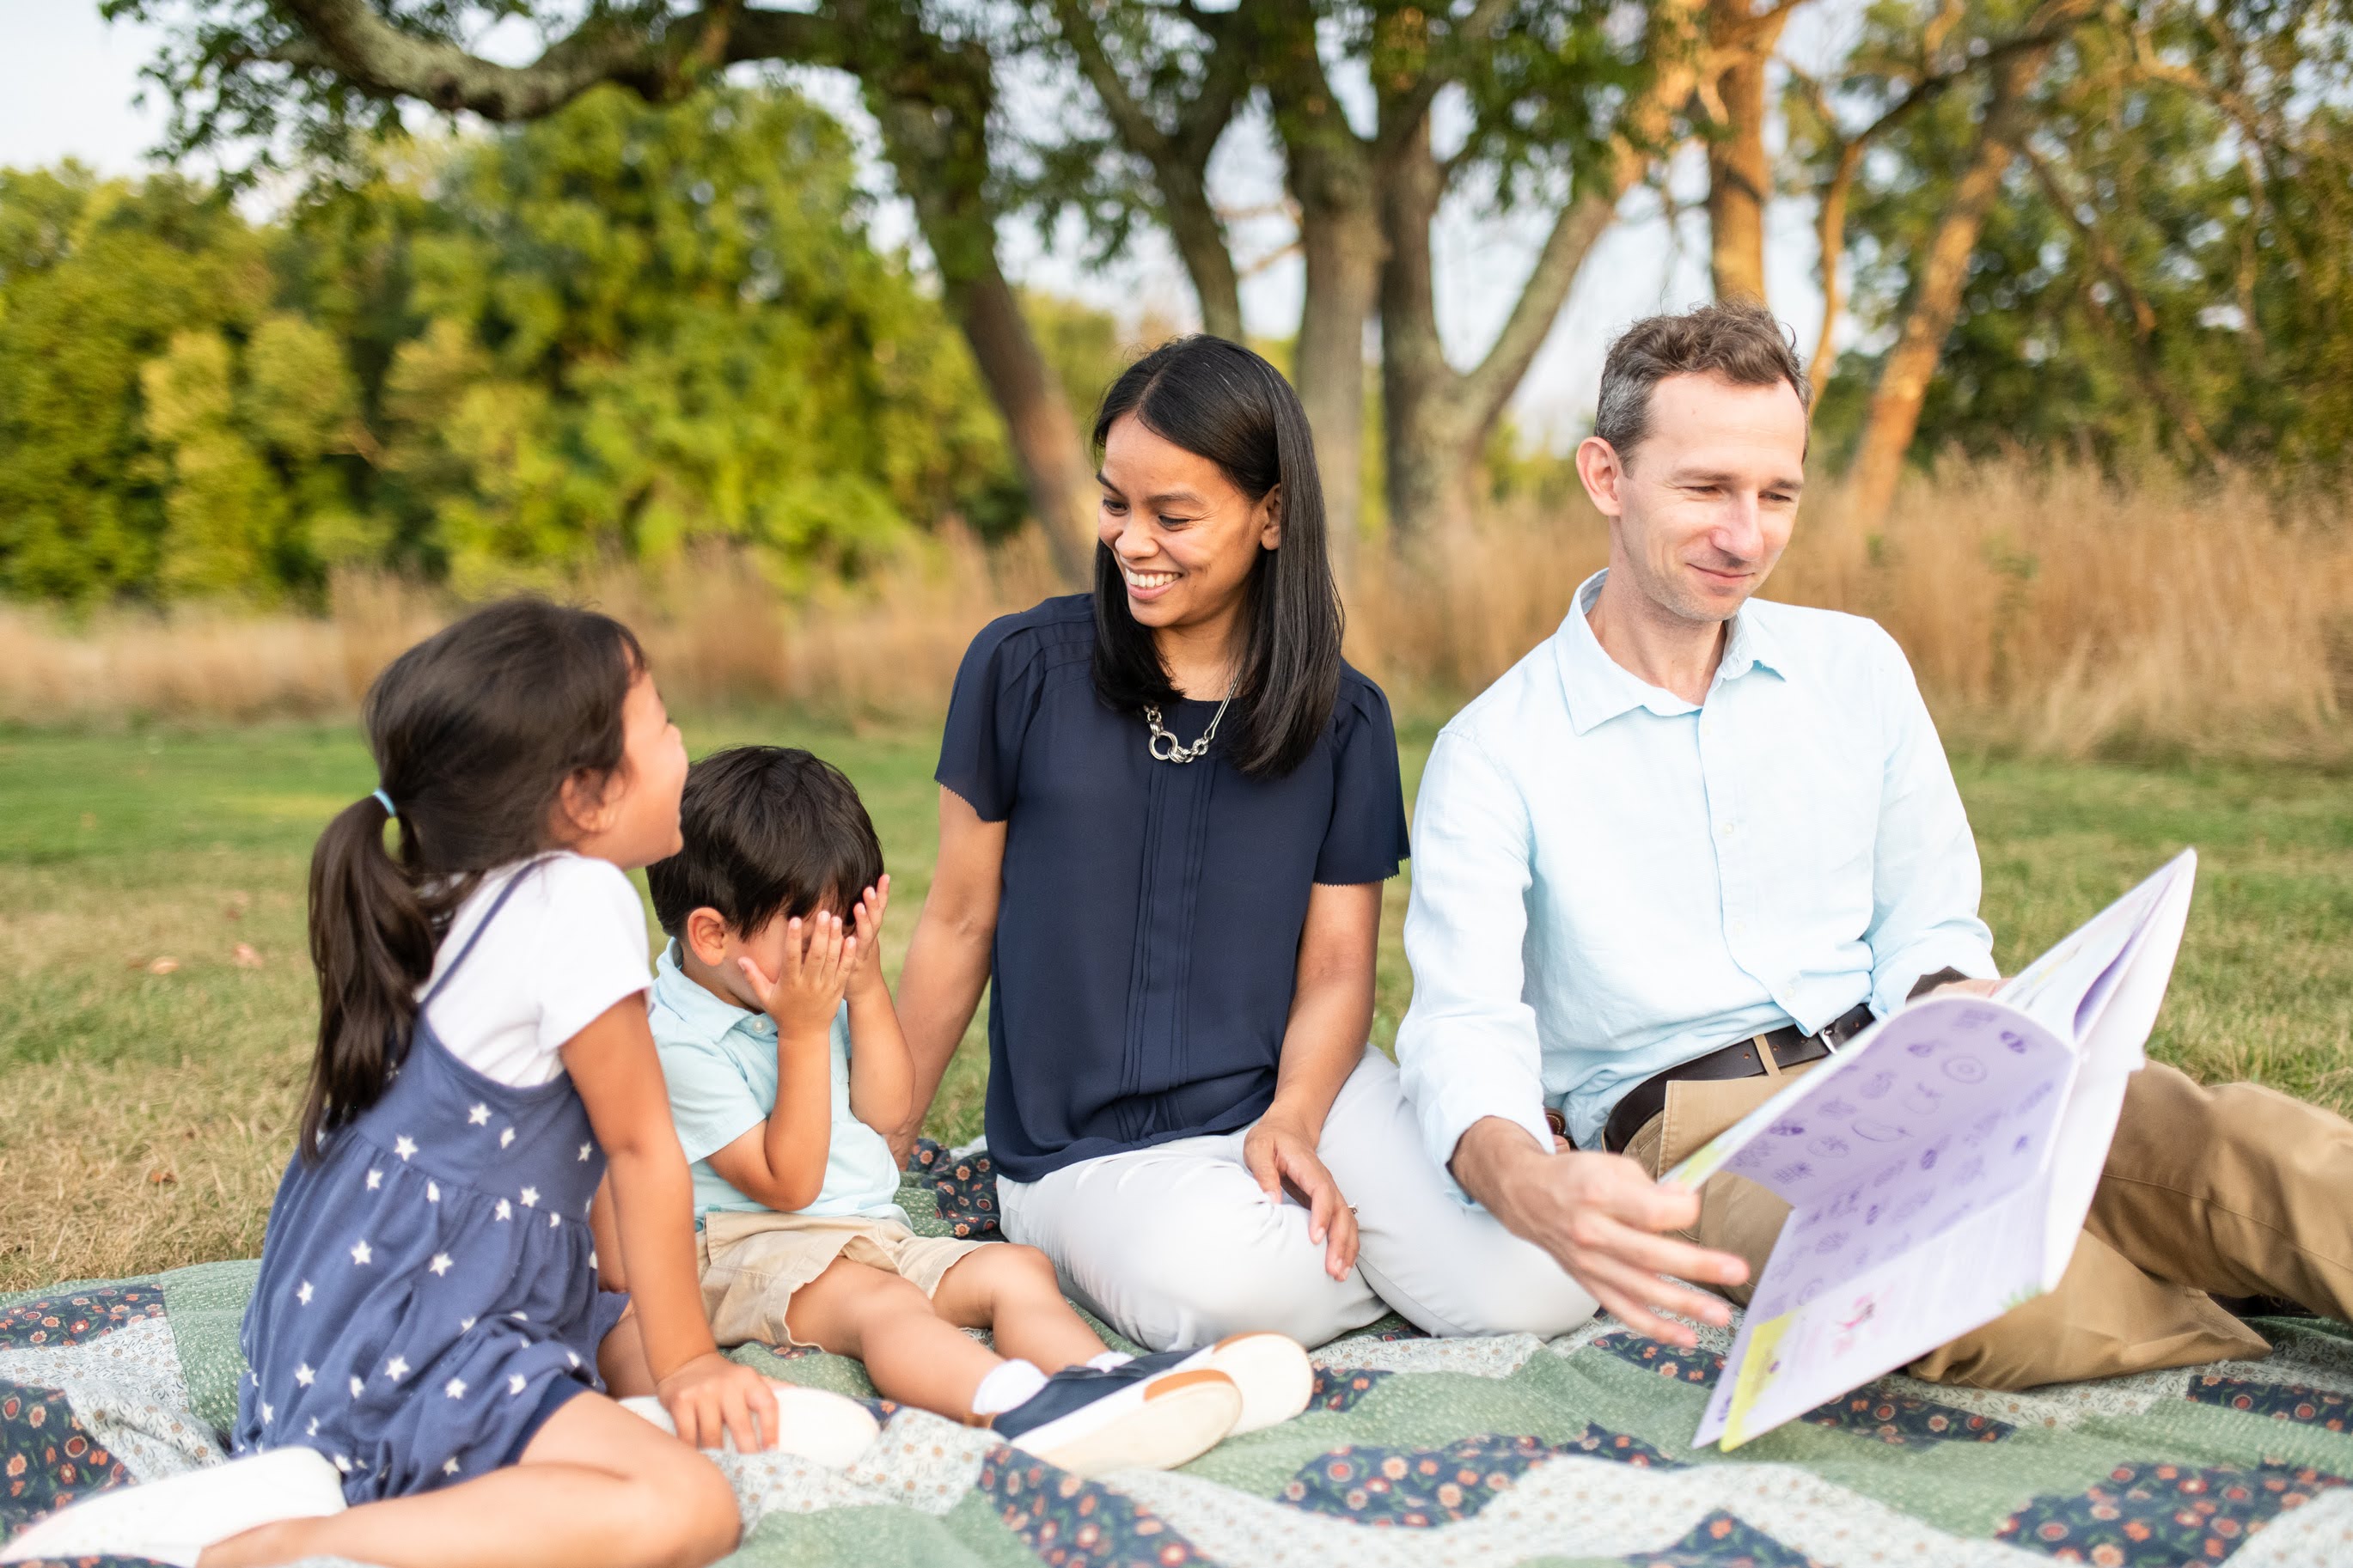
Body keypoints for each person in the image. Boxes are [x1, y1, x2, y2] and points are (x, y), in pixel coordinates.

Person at [1397, 301, 2353, 1388]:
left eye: (1776, 495)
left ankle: (2246, 1247)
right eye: (1704, 488)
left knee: (2242, 1145)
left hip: (1904, 1057)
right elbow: (1461, 1020)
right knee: (1996, 1294)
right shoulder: (1491, 748)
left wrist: (1970, 1005)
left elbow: (1929, 925)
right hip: (1702, 1139)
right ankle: (2237, 1307)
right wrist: (1516, 1172)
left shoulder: (1856, 668)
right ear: (1605, 477)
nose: (1743, 534)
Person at [10, 601, 877, 1568]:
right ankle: (284, 1542)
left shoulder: (460, 882)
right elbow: (640, 1149)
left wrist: (642, 1324)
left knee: (625, 1329)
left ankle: (512, 1440)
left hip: (335, 1320)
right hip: (421, 1338)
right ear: (585, 795)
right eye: (664, 721)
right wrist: (690, 1365)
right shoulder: (577, 900)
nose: (683, 743)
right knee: (690, 1509)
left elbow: (573, 1172)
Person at [890, 335, 1598, 1353]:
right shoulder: (1019, 670)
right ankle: (1375, 1261)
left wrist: (1296, 1120)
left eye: (1172, 516)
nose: (1132, 542)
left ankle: (1353, 1237)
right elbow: (957, 920)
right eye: (1114, 505)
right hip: (1082, 1151)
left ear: (1271, 515)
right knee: (1225, 1288)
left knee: (1547, 1276)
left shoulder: (1345, 721)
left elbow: (1338, 966)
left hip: (1303, 1091)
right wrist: (883, 1155)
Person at [641, 744, 1306, 1474]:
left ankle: (1112, 1386)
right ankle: (1016, 1403)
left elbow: (889, 1109)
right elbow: (790, 1183)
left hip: (862, 1231)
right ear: (711, 935)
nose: (835, 951)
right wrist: (804, 1030)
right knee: (884, 1307)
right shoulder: (678, 1040)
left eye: (847, 927)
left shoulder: (795, 981)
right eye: (815, 931)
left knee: (1015, 1269)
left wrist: (862, 994)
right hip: (747, 1252)